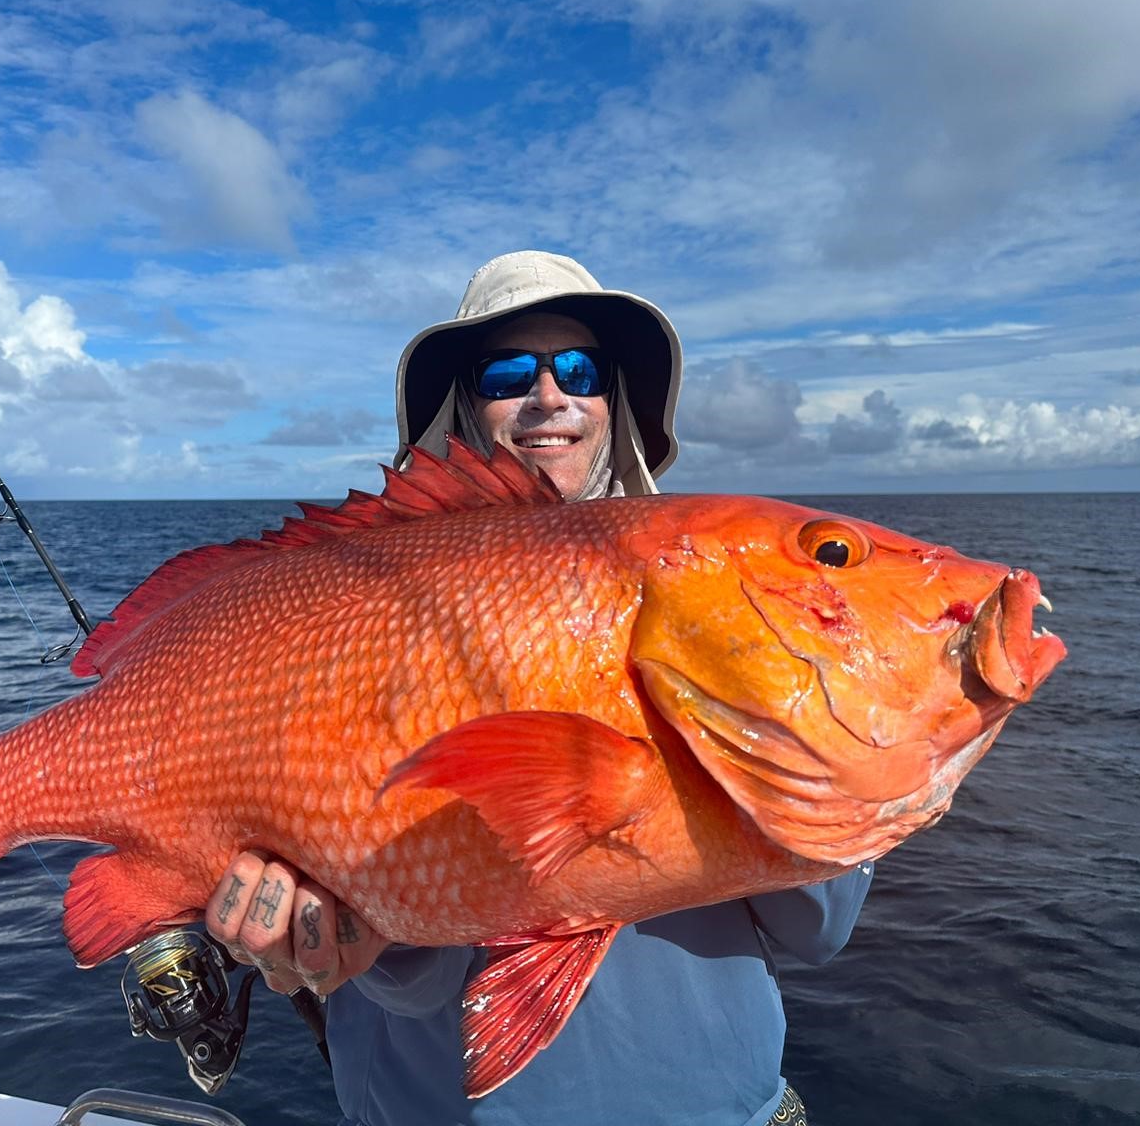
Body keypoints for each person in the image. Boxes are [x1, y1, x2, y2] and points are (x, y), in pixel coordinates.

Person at [206, 252, 873, 1126]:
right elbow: (405, 960)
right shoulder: (372, 612)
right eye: (509, 372)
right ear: (462, 406)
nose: (550, 395)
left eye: (583, 371)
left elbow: (816, 930)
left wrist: (821, 742)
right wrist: (345, 938)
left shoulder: (719, 585)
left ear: (615, 402)